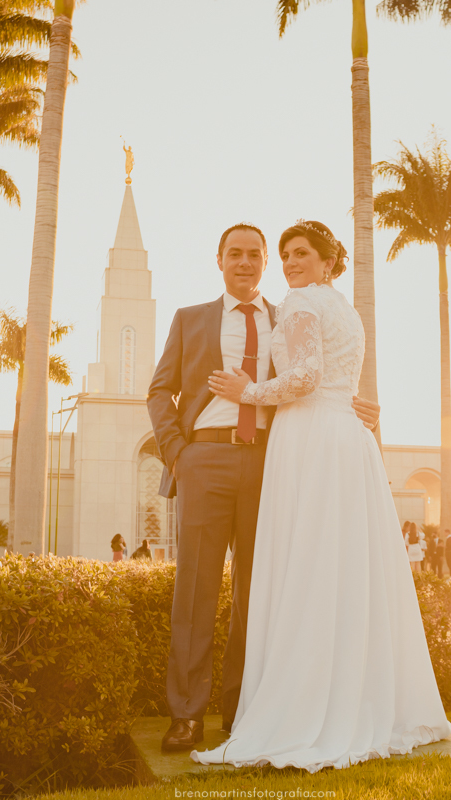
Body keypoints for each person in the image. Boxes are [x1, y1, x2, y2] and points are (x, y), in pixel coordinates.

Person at [192, 220, 451, 771]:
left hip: (309, 438)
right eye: (285, 254)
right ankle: (358, 699)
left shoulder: (301, 302)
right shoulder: (345, 309)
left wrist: (250, 391)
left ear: (327, 260)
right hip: (345, 440)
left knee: (307, 566)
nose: (290, 263)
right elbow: (339, 377)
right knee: (344, 570)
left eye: (301, 253)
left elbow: (307, 373)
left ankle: (304, 707)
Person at [147, 223, 382, 752]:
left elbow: (316, 378)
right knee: (196, 592)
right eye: (236, 253)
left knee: (264, 592)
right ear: (219, 260)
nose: (247, 262)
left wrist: (357, 406)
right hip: (204, 458)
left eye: (256, 254)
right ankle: (185, 715)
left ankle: (243, 710)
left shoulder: (293, 312)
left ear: (264, 264)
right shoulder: (190, 320)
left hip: (272, 462)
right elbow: (159, 391)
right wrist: (179, 454)